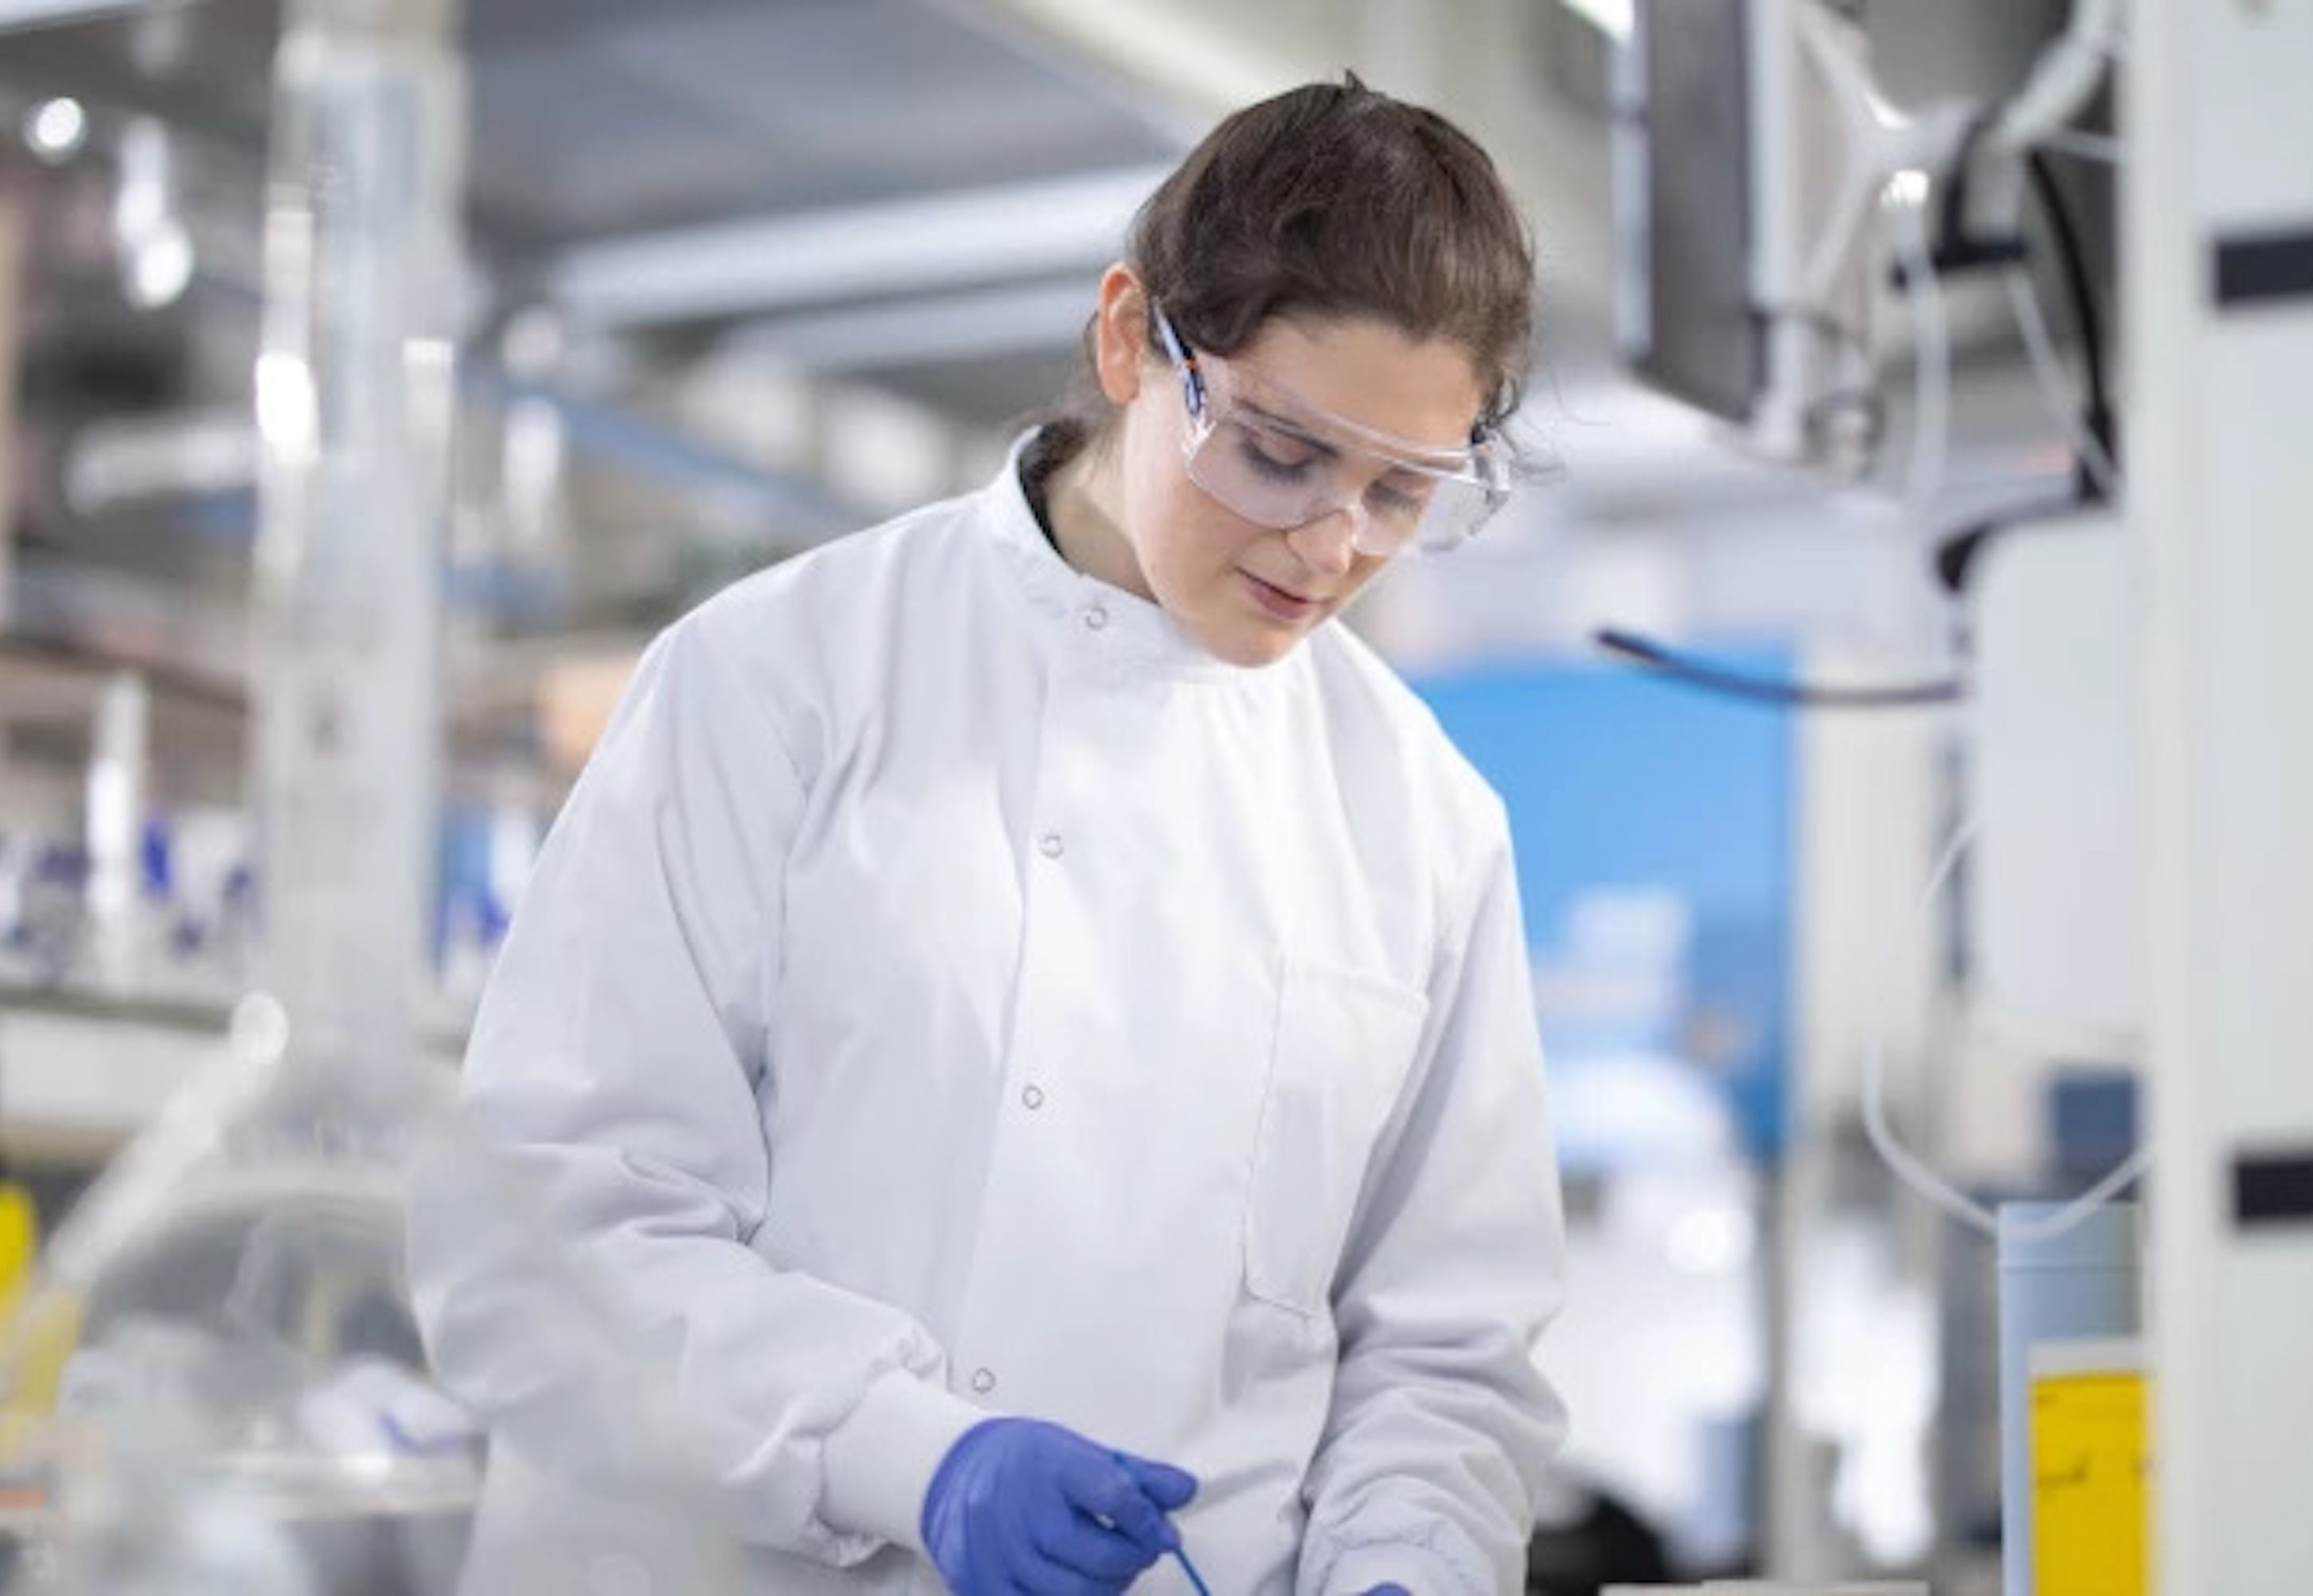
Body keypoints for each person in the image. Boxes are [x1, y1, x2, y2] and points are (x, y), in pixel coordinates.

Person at [418, 74, 1569, 1596]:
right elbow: (538, 1250)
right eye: (1281, 455)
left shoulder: (1421, 820)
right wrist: (913, 1455)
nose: (1332, 543)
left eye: (1403, 493)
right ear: (1126, 339)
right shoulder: (776, 683)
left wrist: (1405, 1566)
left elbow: (1447, 1353)